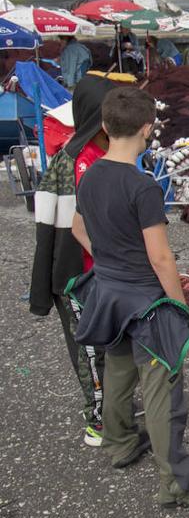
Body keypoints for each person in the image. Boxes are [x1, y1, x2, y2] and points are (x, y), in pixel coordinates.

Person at [70, 85, 189, 507]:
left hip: (107, 291)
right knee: (162, 389)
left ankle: (120, 442)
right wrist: (178, 306)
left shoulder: (89, 175)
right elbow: (161, 257)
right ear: (148, 129)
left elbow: (77, 229)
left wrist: (109, 259)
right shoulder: (142, 187)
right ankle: (178, 483)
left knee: (119, 371)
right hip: (146, 300)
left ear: (104, 127)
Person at [28, 74, 113, 445]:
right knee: (91, 353)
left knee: (103, 349)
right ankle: (99, 421)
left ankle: (111, 406)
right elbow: (85, 228)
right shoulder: (85, 163)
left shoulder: (73, 154)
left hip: (89, 274)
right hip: (79, 277)